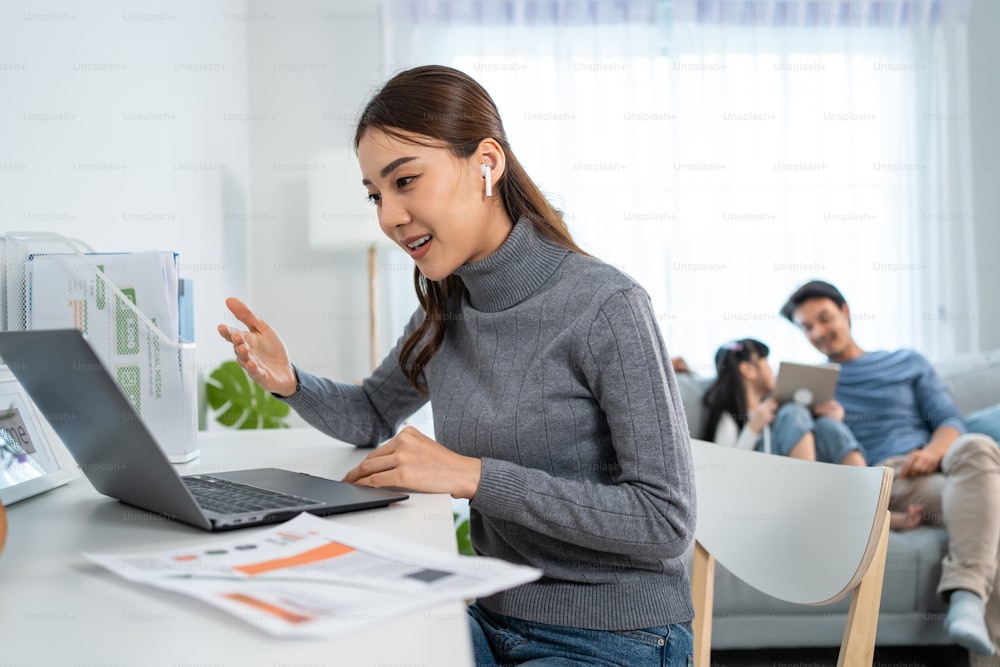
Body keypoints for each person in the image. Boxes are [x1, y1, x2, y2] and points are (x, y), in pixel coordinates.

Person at [218, 65, 695, 665]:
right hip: (488, 612)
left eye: (406, 181)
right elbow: (371, 413)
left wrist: (472, 476)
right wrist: (289, 381)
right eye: (375, 194)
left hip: (614, 635)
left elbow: (663, 519)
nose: (388, 216)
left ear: (486, 164)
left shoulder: (606, 306)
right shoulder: (446, 305)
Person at [781, 279, 1000, 657]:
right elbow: (812, 458)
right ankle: (966, 600)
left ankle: (965, 593)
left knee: (978, 446)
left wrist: (933, 451)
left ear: (845, 311)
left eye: (824, 318)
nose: (818, 332)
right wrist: (828, 418)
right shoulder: (816, 385)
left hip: (943, 466)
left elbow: (949, 421)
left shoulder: (906, 362)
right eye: (807, 327)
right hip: (888, 478)